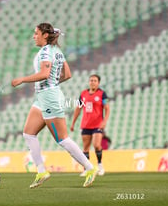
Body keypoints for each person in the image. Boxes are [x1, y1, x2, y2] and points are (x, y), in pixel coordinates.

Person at [11, 23, 98, 188]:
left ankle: (89, 168)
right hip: (43, 97)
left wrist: (22, 79)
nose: (33, 36)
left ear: (45, 35)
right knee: (28, 134)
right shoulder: (57, 51)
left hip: (49, 98)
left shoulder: (45, 52)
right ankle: (42, 171)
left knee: (62, 139)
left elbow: (44, 74)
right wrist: (52, 83)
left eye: (36, 33)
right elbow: (68, 74)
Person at [70, 74, 110, 176]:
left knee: (97, 145)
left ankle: (100, 165)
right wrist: (73, 123)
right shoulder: (83, 94)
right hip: (85, 125)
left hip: (97, 125)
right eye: (91, 80)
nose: (92, 82)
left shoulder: (102, 94)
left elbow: (107, 108)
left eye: (95, 80)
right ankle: (87, 169)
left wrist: (104, 121)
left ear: (98, 83)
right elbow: (78, 109)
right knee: (86, 148)